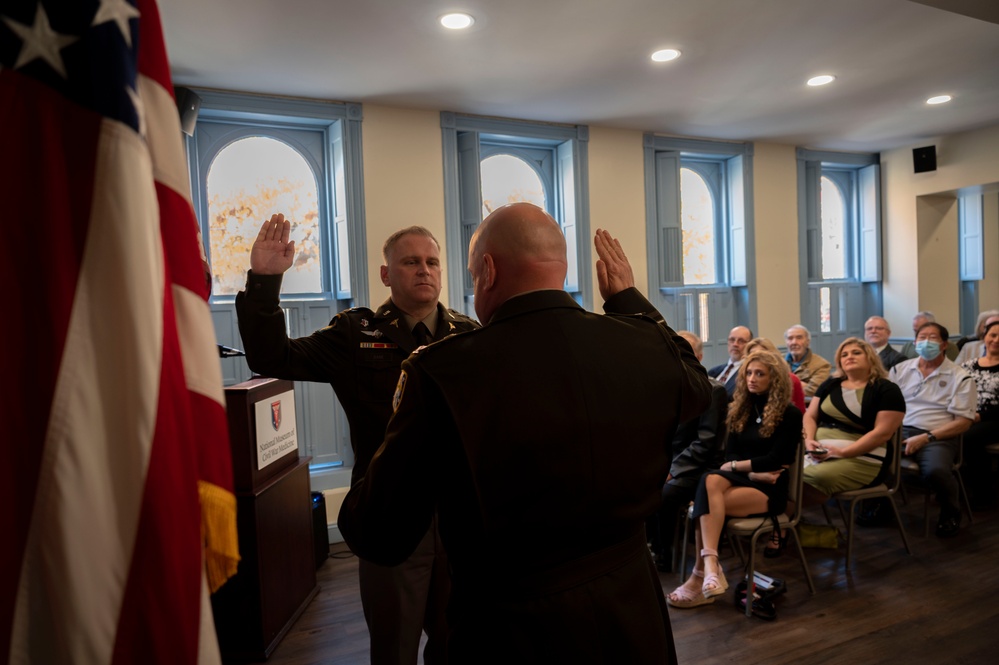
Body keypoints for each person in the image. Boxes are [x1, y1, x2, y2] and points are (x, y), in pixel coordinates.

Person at [339, 203, 713, 664]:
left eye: (474, 275)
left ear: (489, 271)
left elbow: (381, 532)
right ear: (562, 267)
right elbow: (700, 387)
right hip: (632, 612)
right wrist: (628, 299)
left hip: (513, 630)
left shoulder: (442, 370)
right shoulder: (644, 343)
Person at [235, 214, 479, 665]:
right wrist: (265, 283)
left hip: (461, 516)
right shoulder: (354, 333)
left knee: (461, 642)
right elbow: (272, 356)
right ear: (387, 274)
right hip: (390, 514)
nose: (424, 270)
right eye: (410, 262)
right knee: (394, 648)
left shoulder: (469, 336)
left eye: (432, 261)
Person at [666, 350, 801, 608]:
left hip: (770, 490)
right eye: (748, 373)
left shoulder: (790, 414)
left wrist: (738, 466)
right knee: (710, 483)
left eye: (760, 374)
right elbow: (731, 454)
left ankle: (702, 574)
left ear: (776, 379)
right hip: (747, 480)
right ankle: (709, 568)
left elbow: (777, 459)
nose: (751, 378)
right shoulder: (742, 409)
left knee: (701, 505)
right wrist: (749, 471)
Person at [649, 331, 728, 573]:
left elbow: (704, 442)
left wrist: (672, 470)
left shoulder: (713, 390)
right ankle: (644, 546)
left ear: (698, 358)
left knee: (662, 493)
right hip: (670, 461)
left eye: (685, 351)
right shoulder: (666, 386)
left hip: (700, 467)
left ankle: (663, 554)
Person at [888, 322, 977, 537]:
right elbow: (887, 406)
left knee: (935, 470)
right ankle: (880, 505)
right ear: (915, 342)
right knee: (872, 458)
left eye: (933, 338)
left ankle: (951, 512)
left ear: (945, 344)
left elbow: (963, 422)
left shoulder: (960, 376)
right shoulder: (900, 370)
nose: (926, 342)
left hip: (938, 435)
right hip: (899, 430)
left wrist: (926, 438)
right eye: (921, 337)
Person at [801, 338, 906, 508]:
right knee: (782, 471)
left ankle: (787, 524)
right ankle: (788, 525)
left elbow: (883, 433)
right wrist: (808, 441)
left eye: (856, 353)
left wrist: (843, 452)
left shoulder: (886, 389)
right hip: (817, 451)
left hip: (863, 455)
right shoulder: (830, 384)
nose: (849, 356)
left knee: (815, 477)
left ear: (870, 358)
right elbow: (810, 416)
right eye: (844, 354)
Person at [960, 320, 999, 509]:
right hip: (967, 415)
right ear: (984, 337)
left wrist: (979, 416)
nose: (996, 340)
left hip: (994, 418)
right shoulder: (968, 366)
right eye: (993, 335)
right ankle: (953, 488)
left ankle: (982, 492)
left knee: (968, 438)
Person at [746, 337, 806, 412]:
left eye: (762, 354)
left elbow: (800, 412)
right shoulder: (745, 380)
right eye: (752, 355)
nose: (757, 358)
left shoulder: (791, 380)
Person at [784, 324, 831, 398]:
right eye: (790, 338)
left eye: (799, 338)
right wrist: (802, 385)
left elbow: (815, 391)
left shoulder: (822, 365)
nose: (794, 342)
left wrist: (785, 386)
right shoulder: (778, 363)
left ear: (808, 342)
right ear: (786, 342)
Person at [708, 326, 753, 397]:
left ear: (750, 345)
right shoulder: (713, 371)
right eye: (732, 340)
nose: (735, 344)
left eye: (741, 341)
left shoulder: (749, 373)